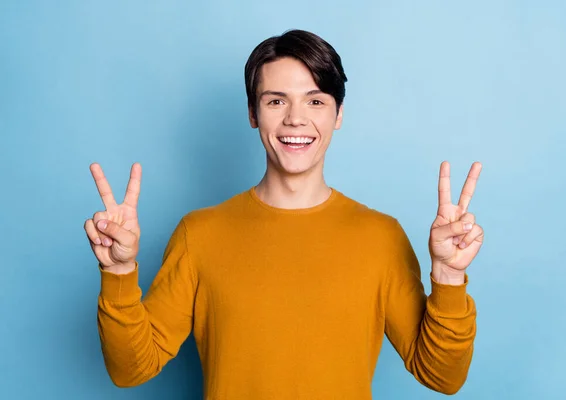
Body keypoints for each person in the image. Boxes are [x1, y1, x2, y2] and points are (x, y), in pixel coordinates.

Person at [84, 29, 484, 399]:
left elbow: (442, 376)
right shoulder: (200, 234)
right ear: (253, 114)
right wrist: (118, 273)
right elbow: (131, 369)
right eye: (276, 100)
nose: (296, 118)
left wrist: (448, 276)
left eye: (315, 101)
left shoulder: (381, 237)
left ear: (338, 114)